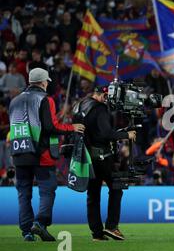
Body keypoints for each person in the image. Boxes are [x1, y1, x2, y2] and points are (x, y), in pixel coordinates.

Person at [9, 68, 85, 241]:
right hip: (41, 153)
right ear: (43, 82)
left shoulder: (14, 101)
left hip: (19, 153)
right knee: (47, 190)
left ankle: (27, 232)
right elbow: (51, 127)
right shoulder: (45, 99)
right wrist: (71, 128)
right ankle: (40, 224)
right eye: (47, 82)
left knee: (23, 193)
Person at [73, 86, 136, 241]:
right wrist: (126, 134)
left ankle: (97, 233)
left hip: (86, 156)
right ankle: (112, 226)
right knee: (117, 187)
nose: (107, 99)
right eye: (105, 96)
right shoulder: (99, 108)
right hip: (102, 157)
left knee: (93, 195)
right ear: (98, 94)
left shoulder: (79, 106)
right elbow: (106, 133)